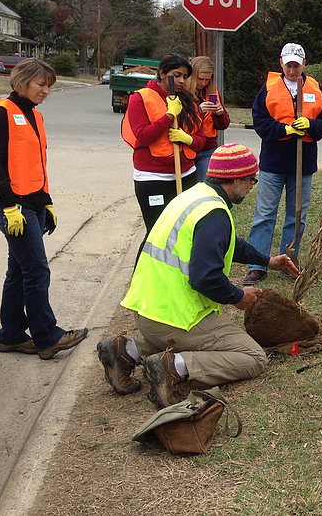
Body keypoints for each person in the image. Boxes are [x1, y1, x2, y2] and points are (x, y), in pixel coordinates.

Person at [96, 144, 300, 407]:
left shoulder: (195, 197)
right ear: (235, 178)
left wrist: (267, 261)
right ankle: (175, 368)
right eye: (251, 179)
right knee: (253, 357)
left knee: (199, 341)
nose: (252, 186)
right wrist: (238, 296)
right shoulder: (214, 214)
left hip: (150, 311)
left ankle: (126, 351)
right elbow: (205, 278)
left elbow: (227, 243)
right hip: (177, 318)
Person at [0, 58, 88, 359]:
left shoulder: (34, 116)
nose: (46, 91)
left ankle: (10, 334)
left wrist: (47, 201)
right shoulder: (2, 112)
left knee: (18, 270)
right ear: (22, 82)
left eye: (50, 86)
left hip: (34, 201)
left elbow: (36, 162)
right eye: (41, 84)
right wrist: (8, 205)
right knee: (37, 270)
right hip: (13, 204)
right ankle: (47, 336)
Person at [244, 43, 322, 284]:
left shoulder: (315, 87)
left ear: (304, 64)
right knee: (264, 215)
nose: (292, 69)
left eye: (297, 65)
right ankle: (258, 265)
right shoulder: (269, 88)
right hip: (273, 163)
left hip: (303, 164)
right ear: (281, 63)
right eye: (288, 65)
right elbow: (260, 122)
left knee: (297, 216)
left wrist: (311, 126)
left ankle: (288, 261)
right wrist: (283, 128)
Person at [122, 54, 205, 236]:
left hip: (186, 175)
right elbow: (143, 137)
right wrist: (169, 116)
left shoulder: (189, 101)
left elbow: (201, 141)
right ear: (161, 73)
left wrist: (187, 139)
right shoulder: (140, 98)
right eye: (176, 75)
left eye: (185, 76)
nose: (181, 81)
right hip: (153, 178)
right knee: (157, 234)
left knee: (184, 232)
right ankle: (145, 265)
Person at [189, 56, 231, 181]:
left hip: (207, 148)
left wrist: (219, 114)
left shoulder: (212, 93)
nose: (203, 83)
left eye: (207, 80)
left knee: (206, 187)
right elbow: (181, 121)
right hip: (188, 147)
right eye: (200, 79)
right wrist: (199, 111)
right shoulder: (183, 92)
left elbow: (223, 125)